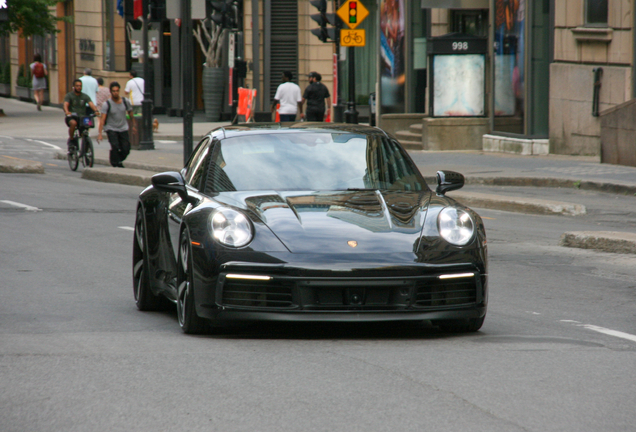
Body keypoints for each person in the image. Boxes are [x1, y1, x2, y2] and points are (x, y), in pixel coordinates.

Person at [98, 82, 133, 168]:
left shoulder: (125, 101)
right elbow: (102, 119)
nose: (115, 93)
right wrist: (100, 134)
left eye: (117, 91)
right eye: (113, 91)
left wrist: (134, 126)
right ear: (110, 92)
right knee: (115, 146)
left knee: (126, 148)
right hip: (111, 128)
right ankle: (115, 163)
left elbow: (131, 113)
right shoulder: (107, 104)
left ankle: (117, 159)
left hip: (123, 128)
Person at [63, 79, 100, 151]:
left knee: (85, 130)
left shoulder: (84, 96)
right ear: (73, 86)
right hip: (72, 117)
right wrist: (67, 112)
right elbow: (65, 104)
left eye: (80, 86)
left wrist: (96, 111)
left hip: (82, 118)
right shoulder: (69, 95)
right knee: (73, 123)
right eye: (77, 86)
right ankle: (71, 139)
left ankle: (86, 146)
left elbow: (91, 104)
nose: (79, 87)